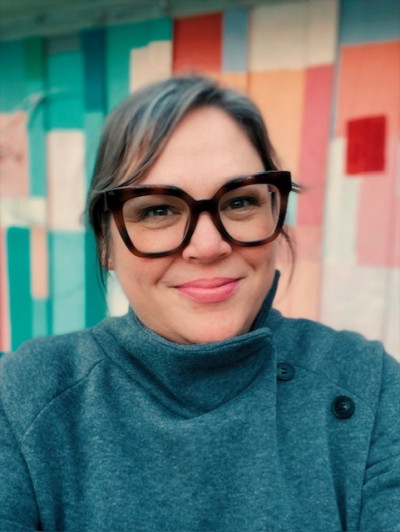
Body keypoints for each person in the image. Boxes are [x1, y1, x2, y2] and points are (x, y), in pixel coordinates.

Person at [0, 75, 399, 532]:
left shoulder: (369, 385)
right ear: (106, 243)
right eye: (157, 210)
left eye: (240, 202)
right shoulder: (24, 399)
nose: (208, 246)